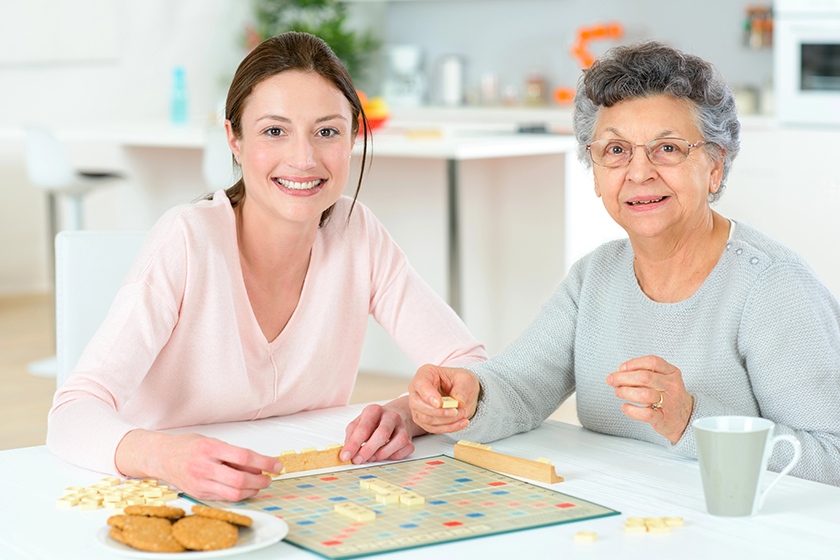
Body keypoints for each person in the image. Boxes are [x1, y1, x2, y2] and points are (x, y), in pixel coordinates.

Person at [46, 32, 486, 500]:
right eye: (274, 131)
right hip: (169, 495)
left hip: (308, 491)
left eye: (327, 131)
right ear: (234, 139)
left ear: (352, 137)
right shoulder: (187, 240)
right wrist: (166, 456)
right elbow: (72, 413)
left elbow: (471, 365)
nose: (303, 158)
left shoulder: (358, 233)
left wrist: (407, 414)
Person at [407, 41, 840, 486]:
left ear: (715, 165)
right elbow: (520, 387)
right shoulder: (594, 276)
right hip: (623, 518)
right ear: (595, 173)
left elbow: (832, 456)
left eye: (667, 148)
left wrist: (691, 420)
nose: (638, 172)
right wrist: (468, 394)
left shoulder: (774, 287)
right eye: (615, 151)